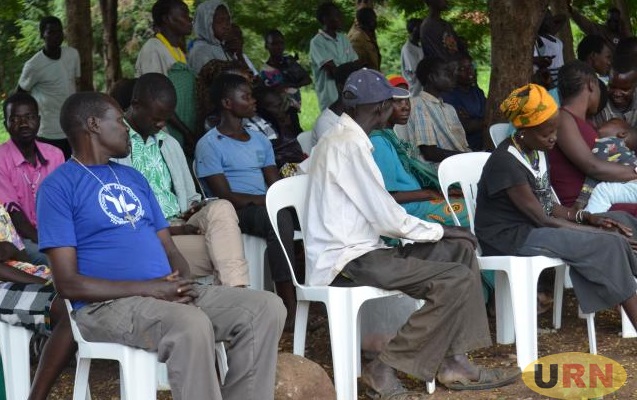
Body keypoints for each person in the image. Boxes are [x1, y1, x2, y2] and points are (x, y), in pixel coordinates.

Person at [37, 91, 285, 400]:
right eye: (119, 121)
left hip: (162, 296)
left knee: (265, 308)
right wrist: (151, 289)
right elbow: (67, 284)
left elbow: (170, 249)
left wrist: (180, 281)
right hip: (105, 306)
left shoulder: (133, 178)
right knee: (190, 324)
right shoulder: (58, 187)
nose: (126, 128)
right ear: (93, 124)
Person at [305, 68, 520, 398]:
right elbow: (387, 217)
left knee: (460, 252)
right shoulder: (348, 146)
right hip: (348, 258)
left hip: (368, 249)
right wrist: (441, 230)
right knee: (454, 277)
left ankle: (454, 361)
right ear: (382, 107)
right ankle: (382, 366)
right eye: (392, 103)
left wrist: (446, 235)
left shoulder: (343, 138)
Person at [475, 83, 637, 339]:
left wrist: (588, 217)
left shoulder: (537, 151)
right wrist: (595, 232)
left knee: (621, 221)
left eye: (556, 130)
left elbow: (548, 205)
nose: (553, 138)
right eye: (546, 133)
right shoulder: (506, 162)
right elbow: (542, 217)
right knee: (607, 242)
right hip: (510, 236)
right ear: (524, 131)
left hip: (535, 226)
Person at [113, 73, 249, 287]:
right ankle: (237, 293)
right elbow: (120, 214)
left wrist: (194, 208)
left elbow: (189, 196)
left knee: (222, 207)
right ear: (136, 105)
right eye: (156, 118)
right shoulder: (114, 145)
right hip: (147, 236)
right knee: (226, 252)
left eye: (166, 118)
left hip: (181, 223)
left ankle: (237, 294)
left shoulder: (169, 143)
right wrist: (175, 230)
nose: (161, 124)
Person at [195, 74, 298, 326]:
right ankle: (289, 305)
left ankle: (319, 287)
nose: (253, 101)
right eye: (246, 96)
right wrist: (269, 201)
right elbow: (226, 196)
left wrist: (285, 199)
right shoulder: (210, 144)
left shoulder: (259, 140)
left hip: (264, 204)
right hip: (235, 211)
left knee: (307, 213)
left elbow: (274, 182)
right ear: (227, 103)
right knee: (278, 220)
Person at [549, 60, 637, 210]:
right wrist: (634, 171)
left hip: (604, 199)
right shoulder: (563, 118)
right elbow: (592, 166)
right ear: (591, 85)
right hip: (585, 205)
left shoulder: (586, 123)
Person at [0, 92, 64, 266]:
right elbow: (14, 215)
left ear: (39, 120)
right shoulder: (1, 158)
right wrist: (48, 243)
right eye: (15, 119)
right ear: (6, 125)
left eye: (29, 117)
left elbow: (63, 204)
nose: (23, 124)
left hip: (55, 233)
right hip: (18, 238)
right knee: (57, 261)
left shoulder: (55, 155)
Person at [135, 0, 197, 156]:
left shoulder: (178, 51)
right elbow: (155, 98)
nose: (190, 19)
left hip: (184, 128)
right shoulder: (153, 48)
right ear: (167, 19)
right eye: (184, 14)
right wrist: (186, 132)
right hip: (166, 132)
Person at [17, 16, 80, 159]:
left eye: (59, 31)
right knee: (51, 171)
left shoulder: (73, 55)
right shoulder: (34, 65)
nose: (56, 35)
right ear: (42, 35)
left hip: (72, 129)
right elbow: (20, 96)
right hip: (48, 133)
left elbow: (78, 84)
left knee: (74, 169)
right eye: (51, 32)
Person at [404, 57, 471, 163]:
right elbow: (430, 153)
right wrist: (468, 157)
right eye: (447, 73)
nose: (453, 77)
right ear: (432, 77)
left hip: (460, 162)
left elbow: (462, 146)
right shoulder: (419, 105)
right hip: (439, 168)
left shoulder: (449, 108)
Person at [309, 2, 363, 111]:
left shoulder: (343, 38)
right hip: (331, 99)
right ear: (325, 18)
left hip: (350, 96)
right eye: (336, 15)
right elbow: (333, 72)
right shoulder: (317, 42)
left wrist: (349, 68)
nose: (340, 18)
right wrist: (350, 67)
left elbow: (356, 64)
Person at [575, 119, 637, 213]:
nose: (599, 125)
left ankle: (587, 218)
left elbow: (595, 173)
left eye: (609, 123)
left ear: (622, 134)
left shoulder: (608, 142)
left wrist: (582, 200)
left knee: (603, 190)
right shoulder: (627, 154)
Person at [441, 54, 486, 151]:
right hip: (464, 148)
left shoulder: (478, 92)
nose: (469, 71)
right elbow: (465, 127)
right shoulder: (449, 96)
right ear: (453, 73)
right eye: (462, 69)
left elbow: (488, 115)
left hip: (483, 143)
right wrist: (484, 121)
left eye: (470, 66)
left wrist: (477, 121)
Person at [260, 29, 312, 112]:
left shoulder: (289, 62)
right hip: (277, 111)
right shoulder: (265, 71)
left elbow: (307, 80)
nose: (279, 47)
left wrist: (291, 85)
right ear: (267, 46)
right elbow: (265, 94)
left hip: (294, 108)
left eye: (281, 43)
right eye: (274, 44)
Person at [188, 0, 233, 74]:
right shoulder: (200, 51)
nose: (226, 26)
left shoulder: (222, 48)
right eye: (220, 21)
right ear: (206, 22)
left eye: (228, 20)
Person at [533, 10, 567, 87]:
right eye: (546, 19)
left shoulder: (550, 34)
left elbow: (563, 17)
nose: (550, 21)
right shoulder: (538, 38)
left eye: (550, 18)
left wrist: (549, 20)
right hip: (551, 77)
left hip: (561, 75)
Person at [400, 18, 424, 97]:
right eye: (421, 28)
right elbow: (417, 69)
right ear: (414, 29)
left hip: (421, 90)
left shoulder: (419, 47)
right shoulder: (408, 49)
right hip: (415, 92)